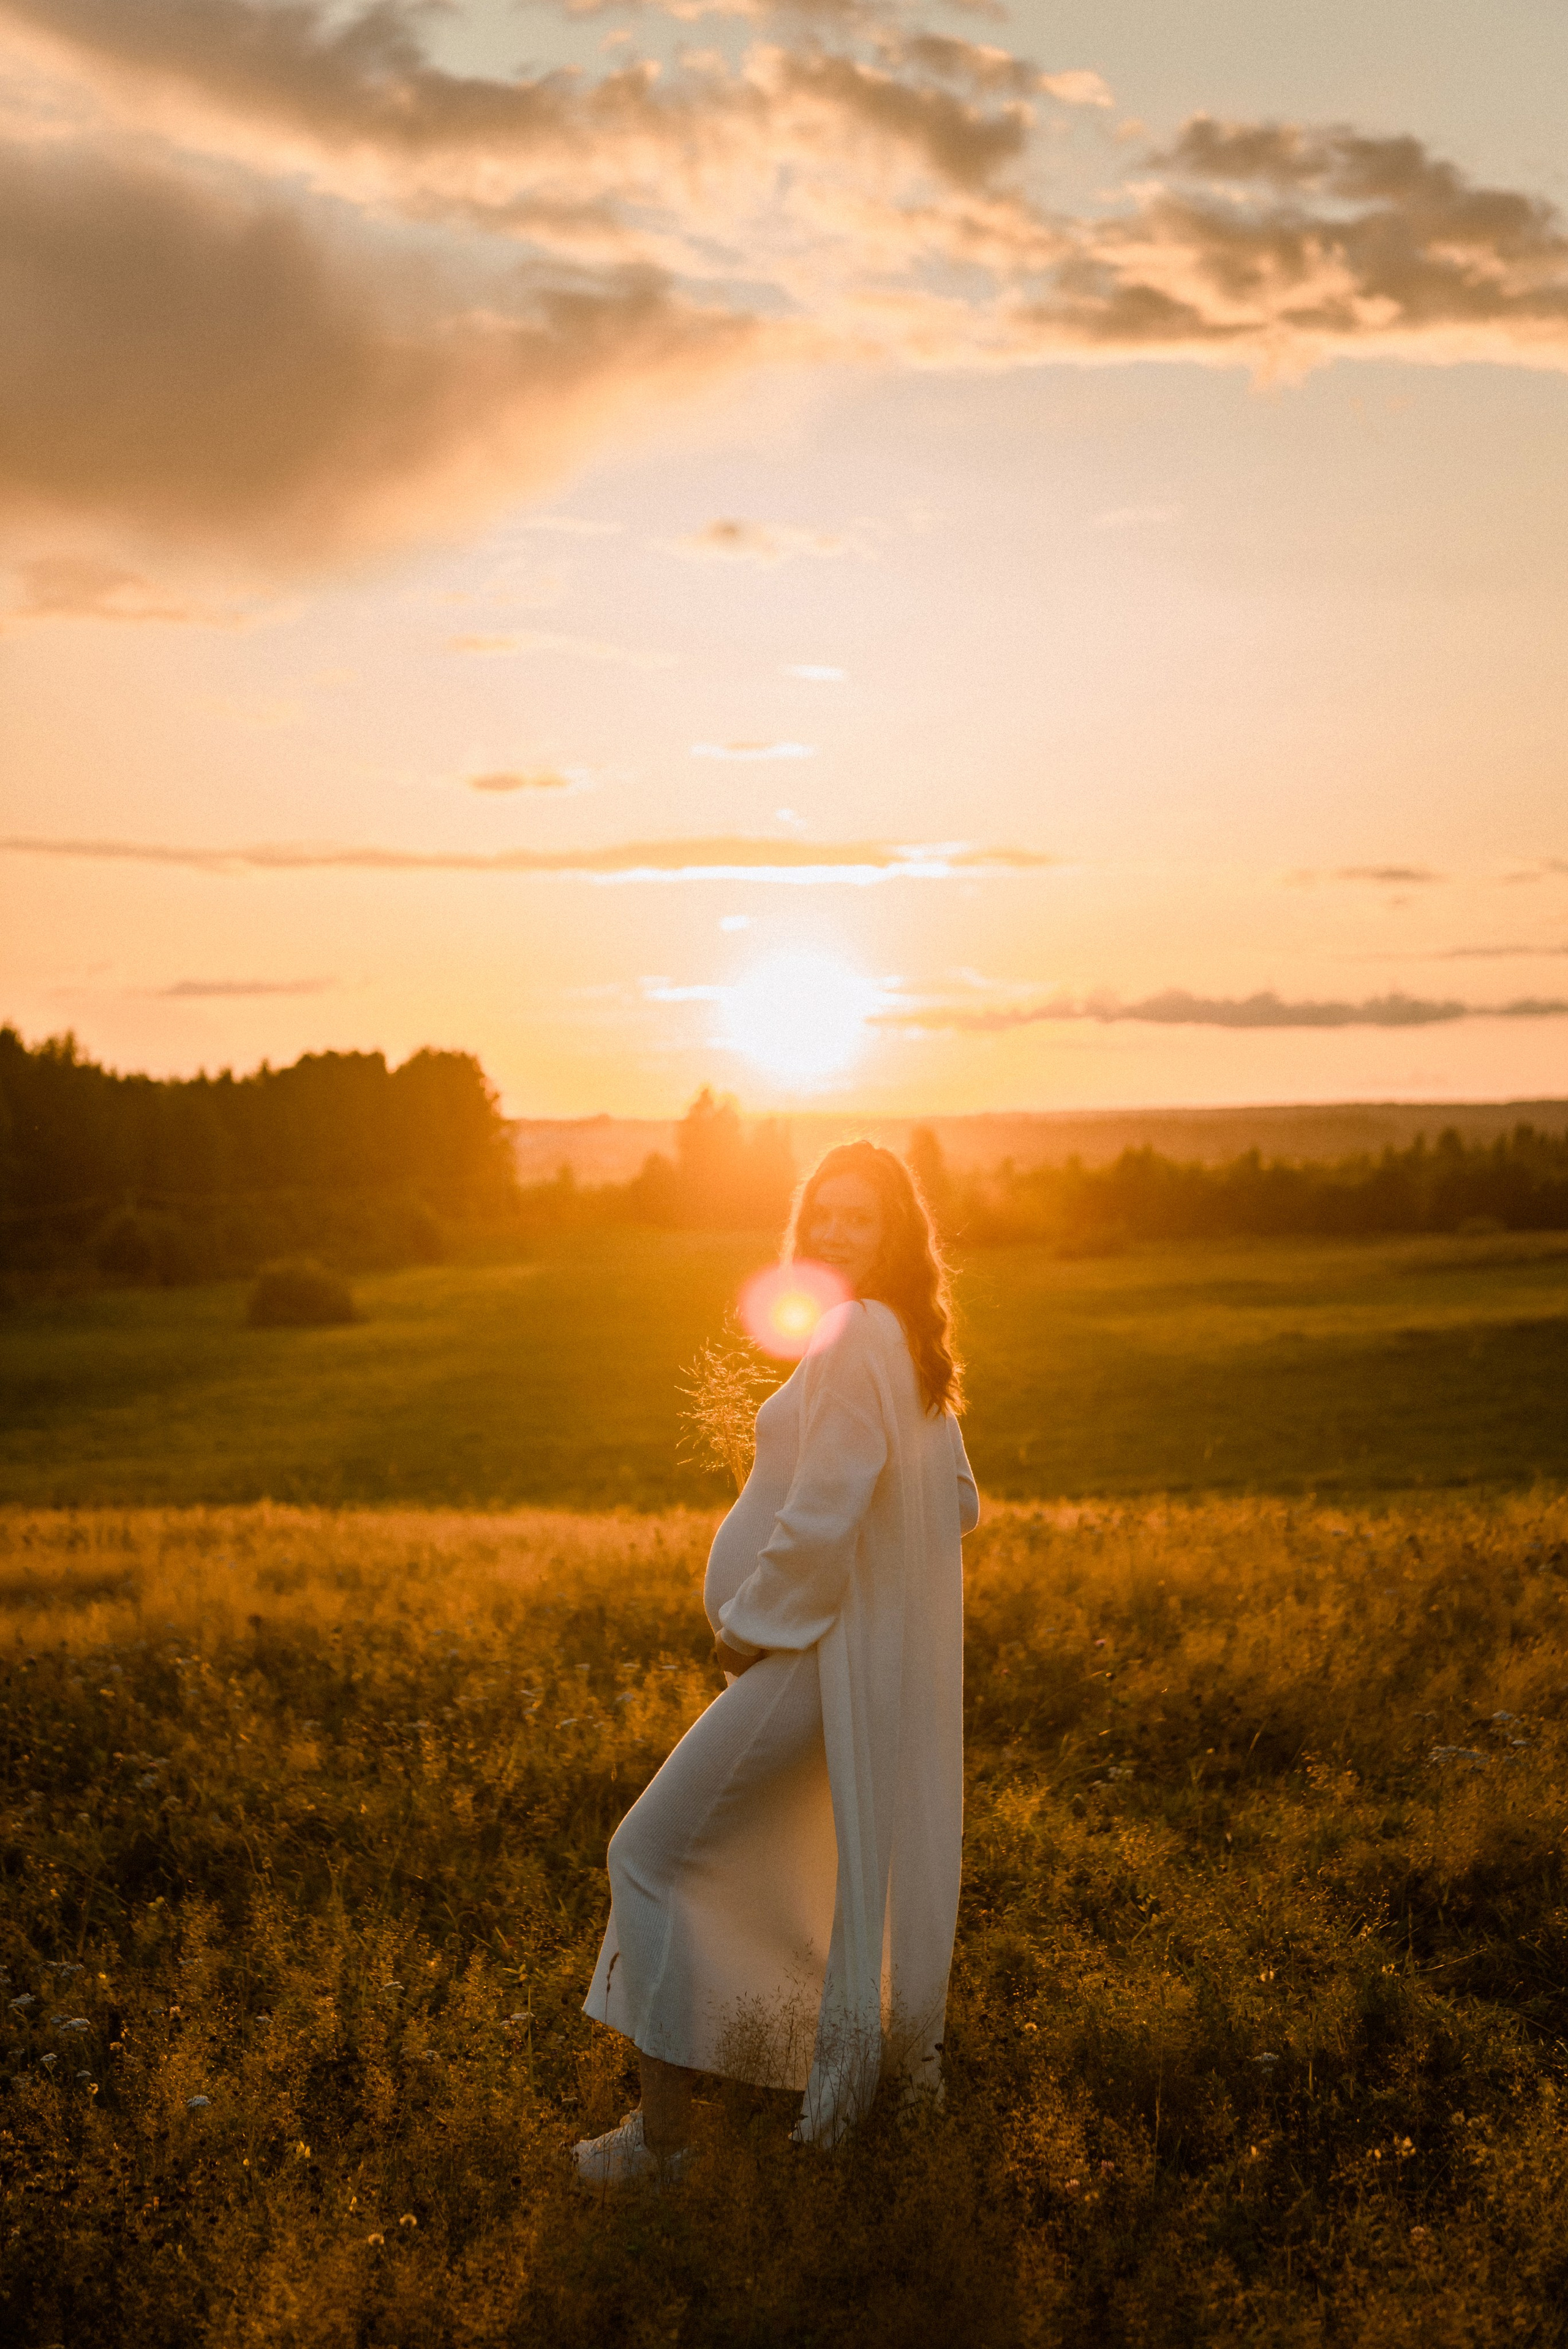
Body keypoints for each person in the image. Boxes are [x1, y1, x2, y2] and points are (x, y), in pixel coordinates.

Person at [575, 1140, 980, 2185]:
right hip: (836, 1659)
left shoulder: (854, 1334)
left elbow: (823, 1514)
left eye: (862, 1219)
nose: (838, 1234)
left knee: (650, 1857)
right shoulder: (908, 1341)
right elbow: (959, 1502)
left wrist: (752, 1623)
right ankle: (767, 2066)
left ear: (897, 1235)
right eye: (826, 1216)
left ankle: (660, 2149)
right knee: (731, 1865)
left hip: (808, 1655)